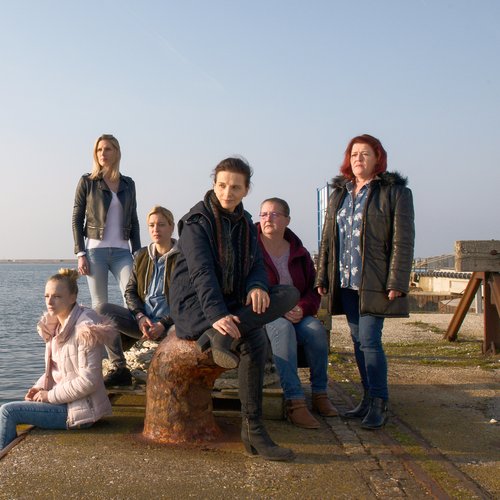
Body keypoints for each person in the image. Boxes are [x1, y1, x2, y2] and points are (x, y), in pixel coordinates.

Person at [169, 157, 299, 461]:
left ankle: (253, 428)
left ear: (246, 190)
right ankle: (255, 431)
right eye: (222, 185)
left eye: (235, 187)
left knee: (288, 294)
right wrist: (217, 316)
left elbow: (256, 265)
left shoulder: (246, 224)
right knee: (255, 339)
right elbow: (201, 273)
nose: (227, 192)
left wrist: (257, 287)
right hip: (195, 305)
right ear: (214, 184)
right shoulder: (196, 222)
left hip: (229, 302)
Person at [315, 134, 415, 429]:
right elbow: (327, 239)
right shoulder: (340, 193)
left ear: (377, 158)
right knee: (358, 341)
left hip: (374, 281)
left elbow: (403, 241)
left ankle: (380, 402)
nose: (358, 158)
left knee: (370, 341)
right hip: (345, 281)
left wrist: (397, 281)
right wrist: (322, 275)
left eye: (365, 153)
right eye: (354, 154)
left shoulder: (395, 192)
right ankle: (368, 397)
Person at [0, 269, 115, 452]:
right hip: (64, 401)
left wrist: (49, 396)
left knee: (8, 412)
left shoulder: (85, 329)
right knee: (17, 408)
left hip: (79, 411)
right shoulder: (56, 327)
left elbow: (89, 380)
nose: (49, 302)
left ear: (72, 297)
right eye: (47, 296)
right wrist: (39, 387)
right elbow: (57, 369)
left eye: (57, 296)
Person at [257, 198, 337, 429]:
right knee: (282, 329)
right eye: (264, 214)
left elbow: (313, 290)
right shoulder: (251, 249)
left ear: (287, 220)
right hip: (265, 315)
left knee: (315, 330)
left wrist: (302, 308)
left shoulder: (299, 253)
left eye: (274, 214)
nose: (268, 219)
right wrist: (277, 309)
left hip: (296, 312)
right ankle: (295, 402)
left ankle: (320, 394)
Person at [96, 205, 179, 387]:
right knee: (102, 310)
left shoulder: (184, 258)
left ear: (172, 227)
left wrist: (163, 323)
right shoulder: (142, 255)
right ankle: (119, 368)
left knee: (182, 332)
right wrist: (140, 317)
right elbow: (130, 291)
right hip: (144, 323)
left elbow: (188, 300)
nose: (156, 229)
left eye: (161, 225)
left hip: (171, 325)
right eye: (151, 225)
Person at [72, 134, 141, 308]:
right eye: (99, 149)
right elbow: (77, 219)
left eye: (107, 149)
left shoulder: (128, 184)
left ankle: (130, 328)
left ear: (116, 152)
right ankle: (101, 328)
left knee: (132, 299)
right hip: (95, 252)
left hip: (123, 252)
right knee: (100, 304)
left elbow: (133, 219)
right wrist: (80, 254)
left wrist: (138, 253)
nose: (102, 153)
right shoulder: (87, 182)